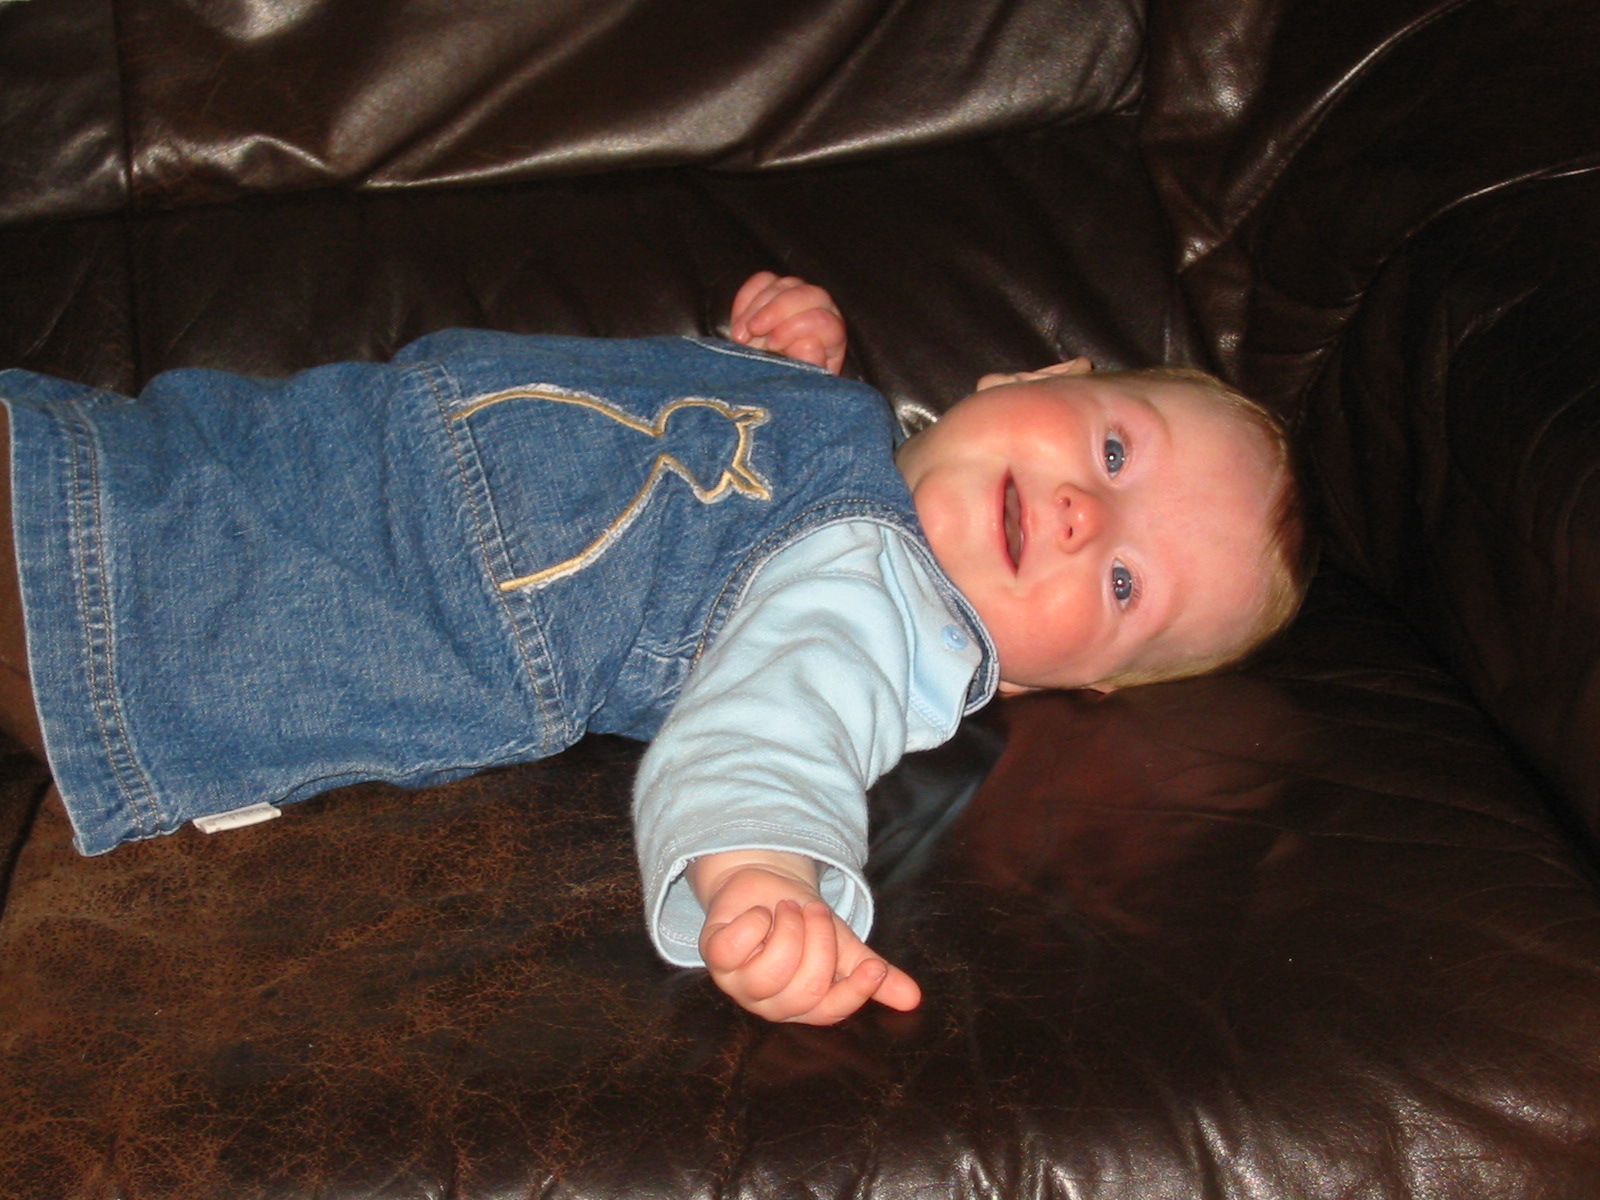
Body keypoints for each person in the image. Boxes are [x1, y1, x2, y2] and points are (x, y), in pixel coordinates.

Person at [0, 272, 1310, 1025]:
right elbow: (669, 454)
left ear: (1064, 684)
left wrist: (763, 878)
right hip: (168, 455)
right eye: (1115, 450)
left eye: (1125, 581)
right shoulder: (840, 428)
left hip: (171, 602)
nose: (1085, 516)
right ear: (1032, 381)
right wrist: (771, 364)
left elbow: (774, 730)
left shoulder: (876, 603)